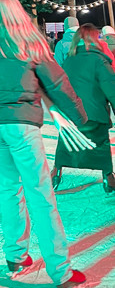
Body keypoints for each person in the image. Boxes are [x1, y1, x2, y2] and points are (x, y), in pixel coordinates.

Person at [0, 0, 88, 288]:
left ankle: (16, 258)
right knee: (40, 193)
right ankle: (61, 272)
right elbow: (57, 82)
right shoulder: (28, 41)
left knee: (8, 189)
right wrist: (79, 114)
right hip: (20, 125)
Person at [51, 23, 115, 194]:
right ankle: (108, 177)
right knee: (100, 145)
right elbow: (112, 89)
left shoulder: (68, 61)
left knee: (66, 144)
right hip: (95, 115)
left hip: (72, 116)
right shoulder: (99, 61)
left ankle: (56, 172)